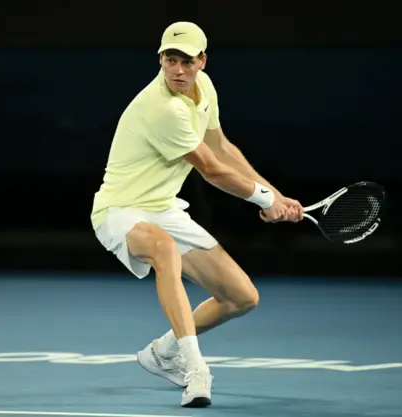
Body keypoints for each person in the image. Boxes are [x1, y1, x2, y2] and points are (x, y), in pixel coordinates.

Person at [90, 21, 304, 408]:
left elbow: (221, 148)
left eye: (187, 61)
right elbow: (212, 170)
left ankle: (162, 353)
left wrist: (275, 195)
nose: (178, 70)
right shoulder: (163, 107)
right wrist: (263, 201)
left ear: (202, 62)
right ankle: (196, 370)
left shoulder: (204, 90)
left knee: (242, 297)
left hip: (163, 207)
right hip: (118, 210)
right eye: (170, 60)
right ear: (160, 60)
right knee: (165, 249)